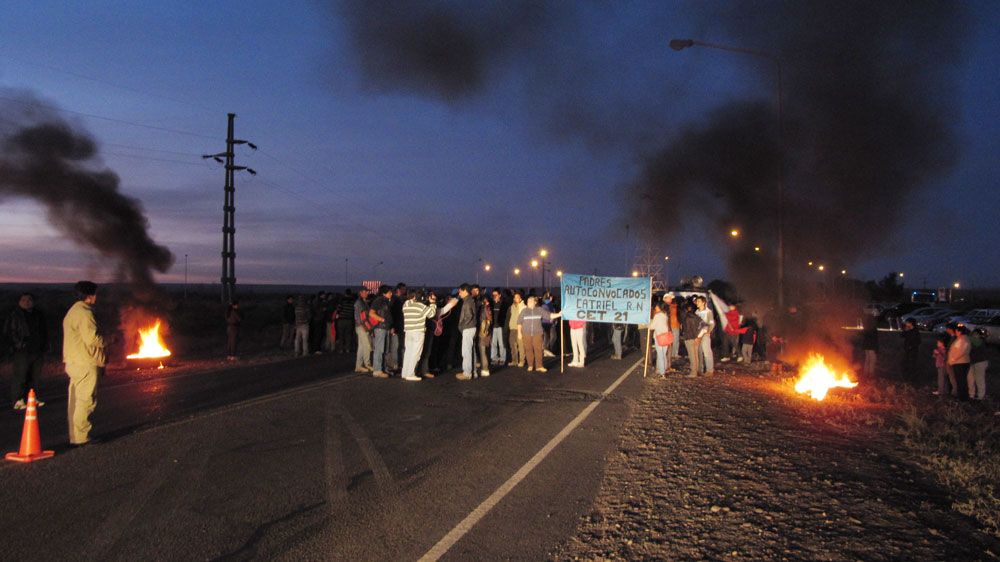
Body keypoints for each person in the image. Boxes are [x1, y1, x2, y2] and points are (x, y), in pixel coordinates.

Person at [62, 281, 106, 447]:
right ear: (90, 295)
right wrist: (107, 341)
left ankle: (75, 436)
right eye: (95, 294)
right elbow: (92, 338)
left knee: (75, 400)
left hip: (73, 361)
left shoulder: (73, 311)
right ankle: (82, 438)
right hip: (85, 362)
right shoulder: (85, 313)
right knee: (86, 400)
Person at [3, 292, 48, 410]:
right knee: (20, 376)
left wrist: (45, 345)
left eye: (29, 300)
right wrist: (18, 345)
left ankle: (31, 399)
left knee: (34, 376)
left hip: (37, 350)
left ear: (33, 301)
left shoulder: (38, 314)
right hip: (22, 351)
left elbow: (44, 331)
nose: (27, 302)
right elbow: (9, 332)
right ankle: (18, 400)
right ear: (19, 302)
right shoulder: (15, 315)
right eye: (23, 300)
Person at [401, 289, 449, 381]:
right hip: (418, 332)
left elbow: (411, 300)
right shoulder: (421, 306)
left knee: (408, 353)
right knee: (416, 354)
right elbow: (431, 314)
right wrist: (433, 303)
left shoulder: (406, 304)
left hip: (408, 332)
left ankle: (405, 372)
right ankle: (410, 374)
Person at [517, 295, 561, 372]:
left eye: (531, 301)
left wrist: (559, 314)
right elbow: (519, 323)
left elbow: (549, 315)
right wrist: (519, 333)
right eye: (528, 301)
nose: (529, 303)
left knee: (538, 350)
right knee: (528, 349)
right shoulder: (524, 311)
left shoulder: (540, 310)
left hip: (537, 334)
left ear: (535, 302)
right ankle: (530, 365)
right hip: (526, 334)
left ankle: (539, 366)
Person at [368, 285, 393, 379]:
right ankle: (377, 370)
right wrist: (382, 320)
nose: (391, 293)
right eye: (389, 292)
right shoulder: (379, 301)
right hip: (380, 328)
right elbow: (371, 313)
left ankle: (383, 368)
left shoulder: (385, 301)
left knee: (385, 349)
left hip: (385, 327)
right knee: (379, 349)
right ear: (384, 293)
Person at [455, 284, 478, 380]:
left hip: (468, 328)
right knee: (471, 351)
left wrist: (462, 327)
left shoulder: (467, 302)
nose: (459, 293)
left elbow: (469, 316)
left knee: (466, 351)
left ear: (465, 291)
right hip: (471, 327)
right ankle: (473, 372)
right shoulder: (469, 300)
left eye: (460, 291)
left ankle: (467, 373)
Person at [680, 300, 705, 378]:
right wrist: (699, 337)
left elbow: (686, 329)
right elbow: (705, 327)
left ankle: (693, 372)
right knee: (696, 355)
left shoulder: (687, 318)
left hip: (689, 338)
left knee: (692, 356)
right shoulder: (697, 317)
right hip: (696, 338)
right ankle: (696, 371)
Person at [946, 324, 971, 401]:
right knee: (960, 380)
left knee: (961, 380)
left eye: (956, 330)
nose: (955, 332)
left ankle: (963, 397)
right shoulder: (960, 338)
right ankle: (961, 396)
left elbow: (961, 351)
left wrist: (952, 359)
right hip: (958, 362)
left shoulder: (963, 340)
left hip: (960, 363)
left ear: (960, 331)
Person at [694, 296, 716, 375]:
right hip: (698, 335)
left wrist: (709, 331)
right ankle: (700, 369)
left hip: (705, 334)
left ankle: (710, 370)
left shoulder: (708, 312)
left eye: (699, 301)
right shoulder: (696, 312)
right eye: (697, 301)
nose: (697, 303)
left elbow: (712, 323)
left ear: (703, 302)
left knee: (707, 352)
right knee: (699, 352)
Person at [353, 287, 373, 373]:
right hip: (362, 326)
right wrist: (364, 326)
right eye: (365, 292)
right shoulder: (360, 303)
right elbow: (359, 316)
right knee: (367, 346)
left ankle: (358, 366)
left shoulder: (362, 302)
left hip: (361, 326)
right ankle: (367, 364)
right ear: (360, 292)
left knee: (361, 347)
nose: (367, 293)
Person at [650, 303, 671, 376]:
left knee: (660, 354)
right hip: (665, 336)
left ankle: (662, 372)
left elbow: (652, 326)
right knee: (664, 354)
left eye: (656, 306)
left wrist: (649, 323)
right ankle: (664, 369)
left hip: (659, 336)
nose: (655, 307)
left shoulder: (657, 316)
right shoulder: (665, 315)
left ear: (658, 307)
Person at [969, 327, 989, 401]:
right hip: (973, 362)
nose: (974, 335)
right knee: (971, 379)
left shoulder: (979, 342)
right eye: (973, 334)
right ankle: (971, 394)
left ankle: (980, 396)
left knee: (979, 379)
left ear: (979, 335)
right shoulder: (975, 341)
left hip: (980, 362)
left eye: (975, 334)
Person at [507, 291, 526, 367]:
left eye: (517, 297)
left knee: (521, 346)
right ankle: (514, 361)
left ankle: (522, 361)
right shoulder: (511, 306)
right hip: (512, 328)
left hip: (520, 328)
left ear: (520, 298)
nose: (515, 298)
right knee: (512, 345)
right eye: (514, 297)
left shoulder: (523, 307)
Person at [490, 290, 507, 366]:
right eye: (493, 295)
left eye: (496, 295)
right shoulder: (491, 304)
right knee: (493, 343)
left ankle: (502, 358)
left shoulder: (503, 304)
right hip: (493, 326)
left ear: (500, 295)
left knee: (501, 343)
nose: (494, 296)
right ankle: (494, 358)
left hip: (500, 326)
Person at [477, 295, 493, 377]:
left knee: (482, 351)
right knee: (485, 351)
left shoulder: (484, 308)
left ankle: (485, 369)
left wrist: (485, 330)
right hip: (487, 331)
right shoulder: (489, 308)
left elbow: (487, 321)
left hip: (483, 332)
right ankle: (485, 368)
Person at [335, 290, 355, 354]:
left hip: (341, 320)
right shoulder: (353, 302)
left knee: (341, 335)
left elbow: (338, 310)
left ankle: (341, 349)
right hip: (349, 320)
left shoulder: (342, 301)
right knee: (348, 335)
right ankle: (347, 349)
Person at [664, 293, 681, 360]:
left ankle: (674, 354)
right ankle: (671, 354)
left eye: (671, 298)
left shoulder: (674, 306)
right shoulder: (665, 306)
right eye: (670, 298)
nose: (671, 299)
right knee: (669, 341)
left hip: (675, 325)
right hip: (669, 326)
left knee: (675, 340)